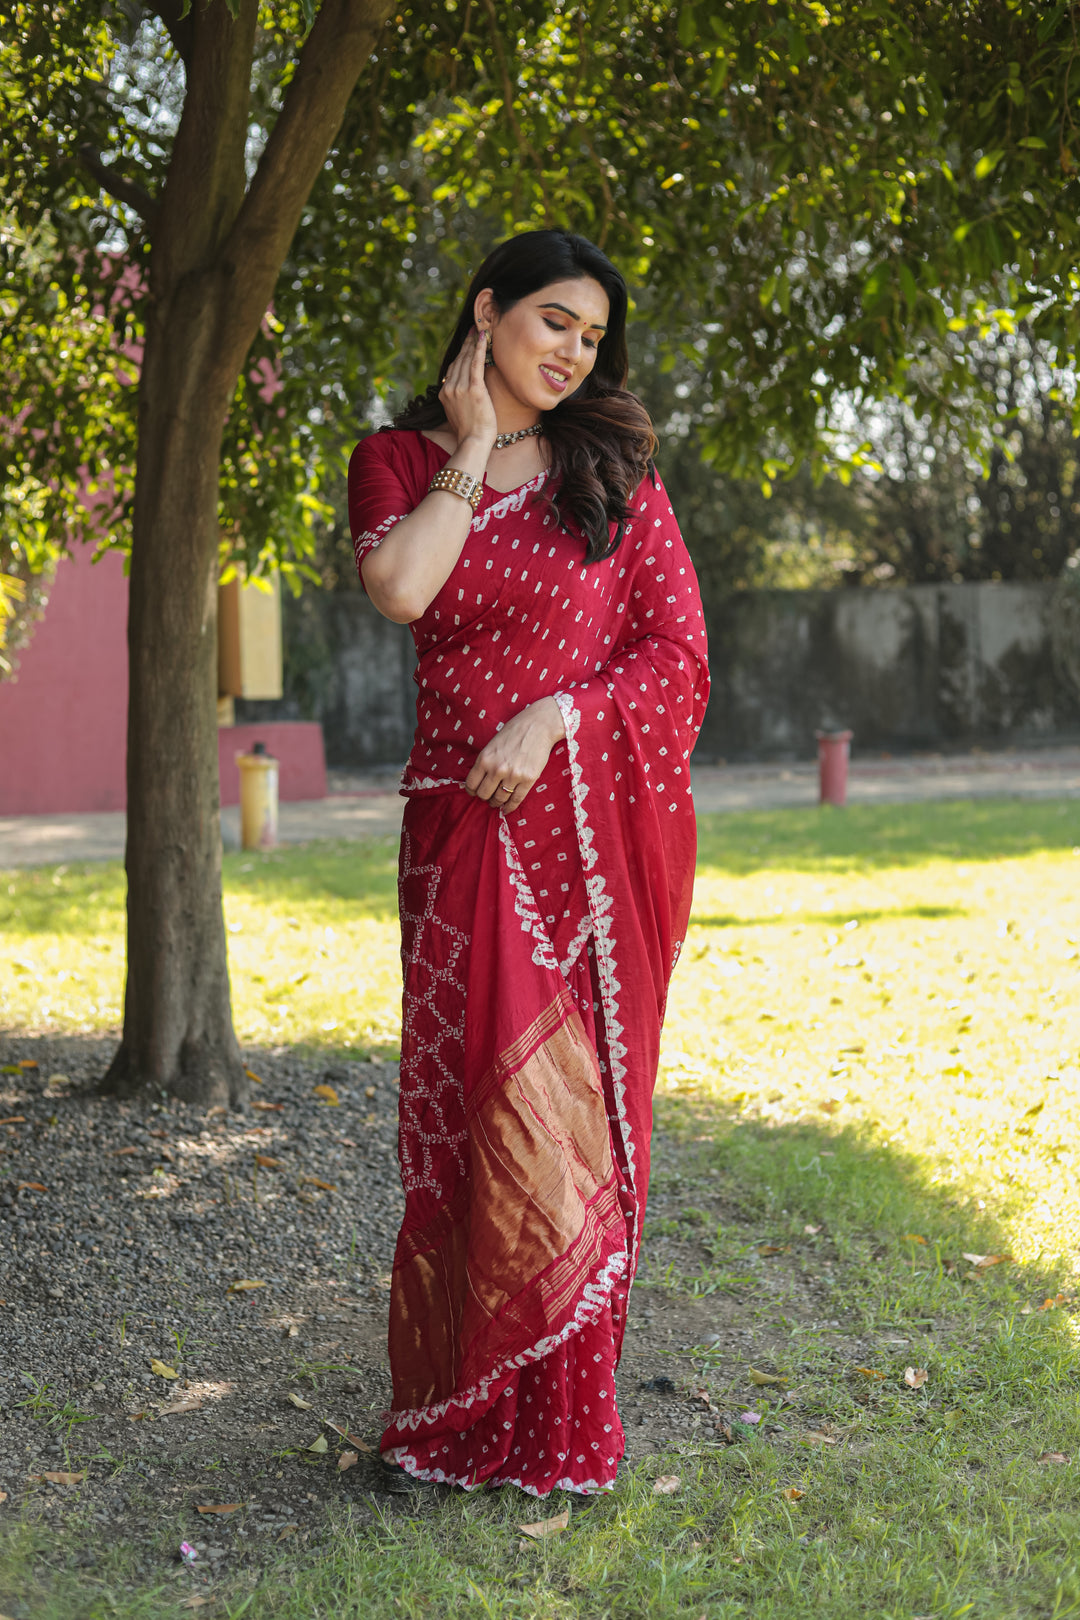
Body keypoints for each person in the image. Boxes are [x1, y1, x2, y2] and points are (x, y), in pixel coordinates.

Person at [348, 229, 710, 1497]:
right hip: (460, 841)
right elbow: (400, 587)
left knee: (572, 1135)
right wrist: (467, 454)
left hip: (585, 849)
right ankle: (454, 1415)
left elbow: (677, 658)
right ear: (488, 311)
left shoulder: (615, 473)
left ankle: (558, 1431)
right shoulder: (398, 461)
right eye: (555, 320)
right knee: (467, 1126)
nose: (572, 351)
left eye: (593, 337)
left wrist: (556, 716)